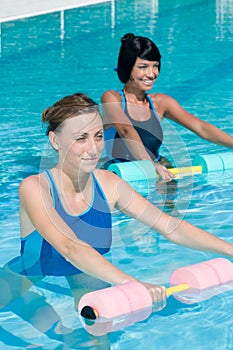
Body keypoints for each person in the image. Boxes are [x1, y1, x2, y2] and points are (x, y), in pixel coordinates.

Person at [5, 92, 233, 339]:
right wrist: (130, 283)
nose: (93, 149)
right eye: (81, 138)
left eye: (99, 136)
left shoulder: (109, 185)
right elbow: (69, 246)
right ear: (56, 140)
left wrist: (230, 250)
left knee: (98, 340)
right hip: (29, 273)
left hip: (86, 273)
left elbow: (170, 227)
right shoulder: (35, 187)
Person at [101, 33, 233, 180]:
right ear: (128, 68)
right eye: (143, 67)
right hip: (120, 172)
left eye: (155, 66)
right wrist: (149, 164)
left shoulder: (161, 103)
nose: (151, 74)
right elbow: (126, 130)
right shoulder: (112, 98)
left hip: (158, 169)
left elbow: (201, 128)